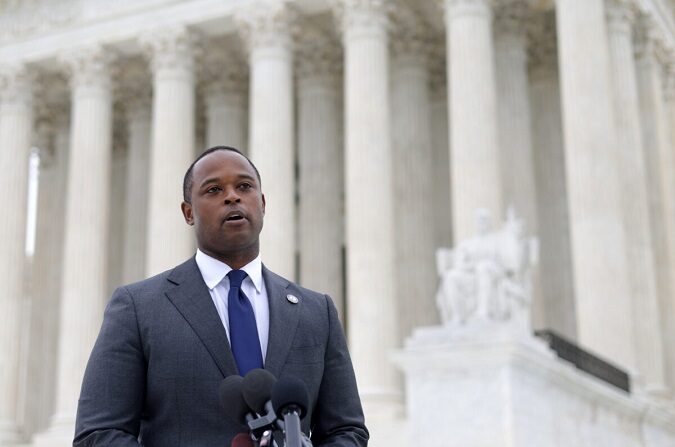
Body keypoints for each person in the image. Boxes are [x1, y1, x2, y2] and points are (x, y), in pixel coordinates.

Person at [74, 146, 368, 446]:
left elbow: (346, 431)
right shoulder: (138, 308)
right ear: (189, 213)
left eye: (244, 186)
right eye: (214, 189)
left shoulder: (316, 312)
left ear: (262, 203)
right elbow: (99, 432)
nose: (232, 196)